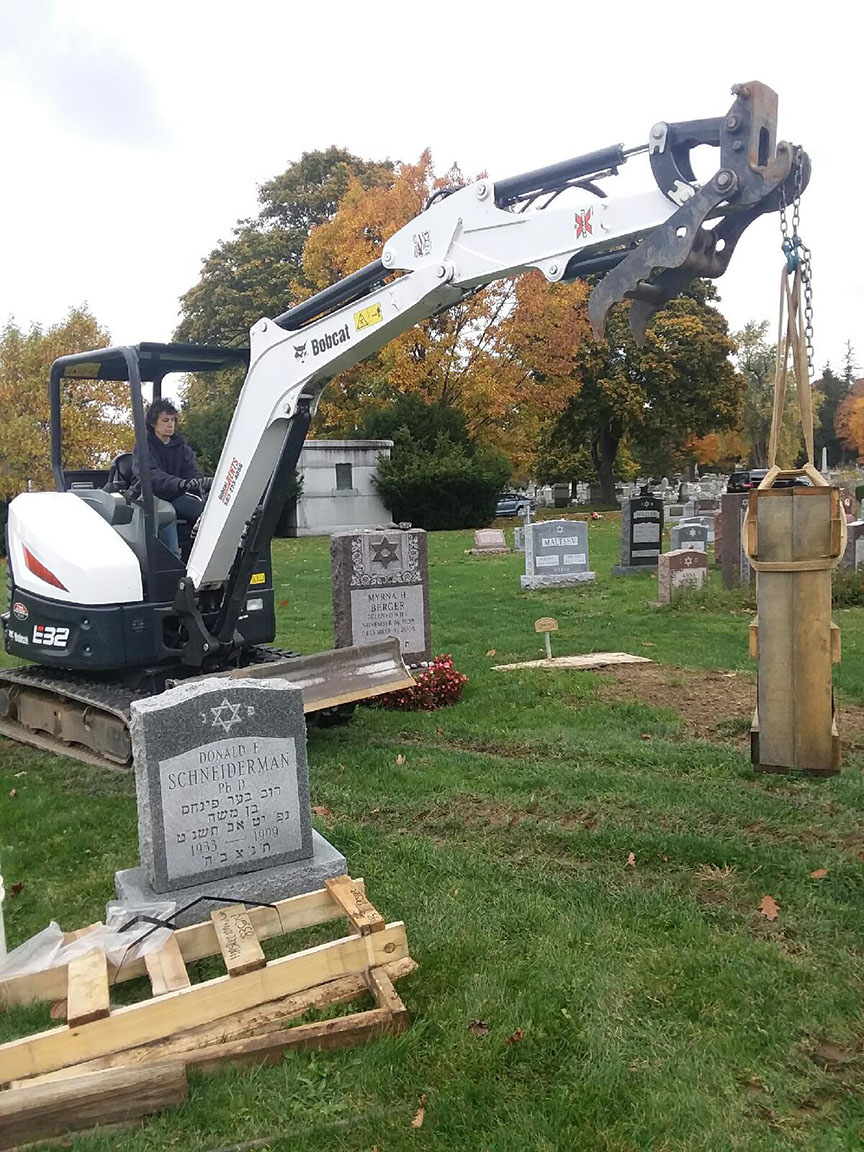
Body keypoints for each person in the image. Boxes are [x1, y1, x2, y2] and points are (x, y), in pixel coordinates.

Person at [131, 398, 212, 557]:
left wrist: (196, 480)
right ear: (154, 423)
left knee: (206, 512)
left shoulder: (180, 447)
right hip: (150, 497)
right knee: (167, 513)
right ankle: (173, 559)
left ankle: (201, 557)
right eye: (165, 420)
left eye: (173, 420)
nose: (170, 424)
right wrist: (180, 484)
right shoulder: (143, 447)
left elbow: (191, 470)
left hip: (175, 495)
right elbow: (151, 475)